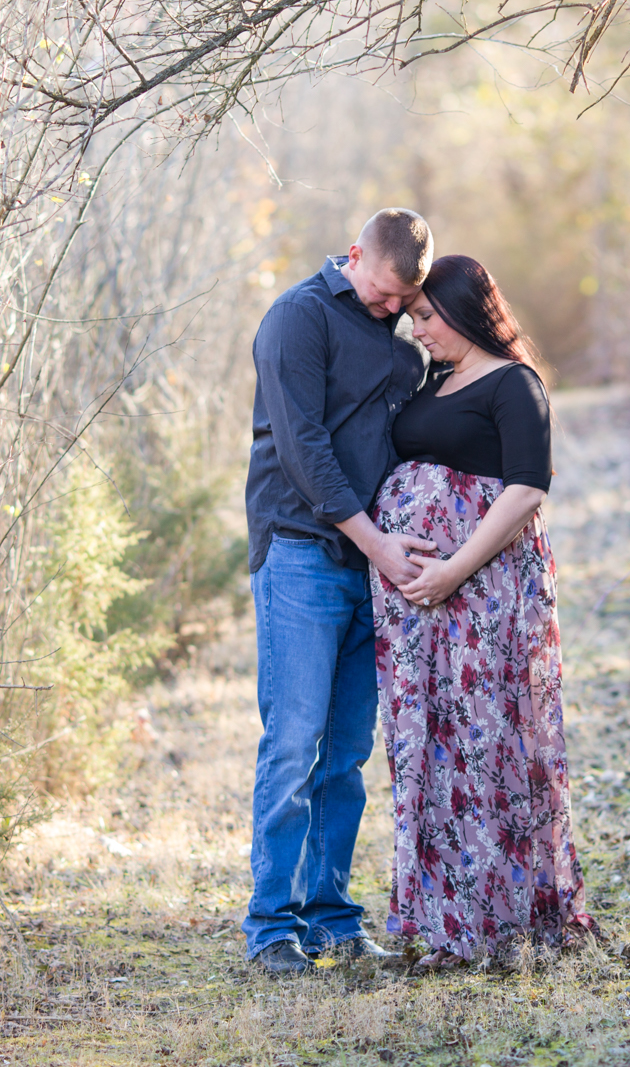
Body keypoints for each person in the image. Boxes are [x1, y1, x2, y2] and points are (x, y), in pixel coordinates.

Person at [370, 254, 597, 970]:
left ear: (467, 312)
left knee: (485, 742)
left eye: (430, 317)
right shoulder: (435, 378)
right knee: (425, 744)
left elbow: (527, 489)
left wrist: (451, 570)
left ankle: (498, 916)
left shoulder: (515, 382)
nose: (419, 328)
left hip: (483, 595)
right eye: (414, 317)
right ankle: (437, 917)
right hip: (420, 605)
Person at [242, 209, 440, 976]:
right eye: (387, 294)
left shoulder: (396, 351)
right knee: (293, 742)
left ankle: (331, 920)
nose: (393, 312)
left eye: (404, 303)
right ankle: (271, 928)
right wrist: (380, 546)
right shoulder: (298, 319)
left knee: (347, 753)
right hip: (301, 552)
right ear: (355, 255)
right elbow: (305, 451)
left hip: (370, 569)